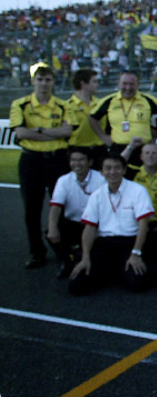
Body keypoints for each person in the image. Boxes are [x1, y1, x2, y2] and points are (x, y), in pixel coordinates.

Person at [11, 64, 74, 269]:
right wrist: (49, 131)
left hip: (57, 160)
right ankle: (36, 252)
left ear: (53, 82)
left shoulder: (63, 105)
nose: (44, 83)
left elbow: (66, 132)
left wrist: (36, 130)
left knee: (62, 206)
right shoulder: (20, 104)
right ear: (33, 81)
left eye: (48, 80)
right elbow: (20, 133)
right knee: (32, 208)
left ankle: (63, 250)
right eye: (40, 79)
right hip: (32, 161)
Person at [68, 154, 155, 295]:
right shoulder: (96, 195)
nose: (112, 172)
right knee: (76, 286)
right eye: (108, 168)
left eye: (117, 168)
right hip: (104, 242)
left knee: (137, 283)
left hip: (130, 242)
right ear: (101, 172)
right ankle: (113, 271)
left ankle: (117, 271)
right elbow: (89, 228)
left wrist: (136, 253)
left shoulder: (138, 190)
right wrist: (85, 257)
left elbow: (143, 224)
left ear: (124, 170)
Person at [46, 148, 107, 277]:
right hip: (73, 223)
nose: (77, 163)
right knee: (52, 231)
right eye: (73, 160)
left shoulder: (101, 179)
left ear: (90, 162)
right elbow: (56, 206)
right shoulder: (63, 180)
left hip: (95, 225)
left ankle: (82, 257)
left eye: (81, 160)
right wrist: (52, 228)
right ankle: (67, 261)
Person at [89, 71, 157, 163]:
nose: (128, 88)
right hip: (117, 150)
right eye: (124, 84)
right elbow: (92, 118)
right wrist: (103, 137)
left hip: (143, 151)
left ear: (138, 84)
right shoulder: (109, 101)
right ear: (119, 83)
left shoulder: (148, 100)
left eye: (132, 84)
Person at [122, 141, 157, 234]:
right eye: (147, 153)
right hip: (133, 224)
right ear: (141, 157)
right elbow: (117, 163)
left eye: (154, 153)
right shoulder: (132, 173)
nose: (150, 156)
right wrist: (131, 146)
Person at [66, 68, 104, 167]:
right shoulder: (67, 106)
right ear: (83, 84)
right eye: (94, 81)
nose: (97, 84)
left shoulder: (101, 104)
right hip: (77, 151)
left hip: (99, 150)